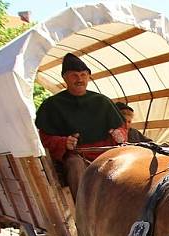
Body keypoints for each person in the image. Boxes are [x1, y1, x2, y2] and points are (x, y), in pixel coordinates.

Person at [35, 53, 127, 198]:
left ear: (88, 77)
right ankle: (83, 211)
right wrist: (64, 142)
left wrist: (120, 134)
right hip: (77, 156)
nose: (79, 79)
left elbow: (121, 128)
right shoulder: (52, 105)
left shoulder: (102, 101)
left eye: (83, 75)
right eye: (74, 75)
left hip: (106, 153)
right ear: (65, 78)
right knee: (75, 166)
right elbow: (44, 137)